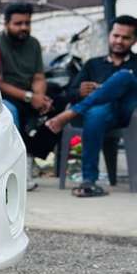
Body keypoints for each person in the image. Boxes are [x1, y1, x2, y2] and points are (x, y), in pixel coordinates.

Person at [46, 15, 137, 197]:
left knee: (124, 77)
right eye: (116, 36)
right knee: (97, 111)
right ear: (110, 35)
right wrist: (79, 92)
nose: (119, 41)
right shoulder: (92, 64)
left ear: (134, 40)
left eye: (125, 38)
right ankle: (89, 181)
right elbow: (69, 93)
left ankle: (71, 114)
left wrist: (103, 88)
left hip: (125, 115)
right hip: (98, 116)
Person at [0, 2, 52, 132]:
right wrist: (30, 97)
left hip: (29, 93)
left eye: (27, 23)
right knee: (11, 112)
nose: (24, 27)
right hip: (7, 96)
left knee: (61, 102)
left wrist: (39, 97)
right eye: (18, 24)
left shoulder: (33, 43)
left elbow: (38, 77)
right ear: (6, 24)